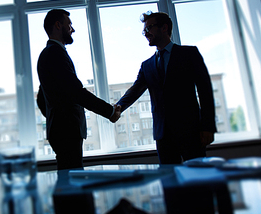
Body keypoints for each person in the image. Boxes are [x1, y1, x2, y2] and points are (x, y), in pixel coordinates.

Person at [116, 11, 216, 164]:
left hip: (191, 131)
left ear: (164, 28)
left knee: (199, 180)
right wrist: (117, 108)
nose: (145, 33)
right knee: (169, 182)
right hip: (163, 135)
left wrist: (208, 126)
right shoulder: (147, 65)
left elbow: (205, 91)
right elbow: (135, 90)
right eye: (144, 30)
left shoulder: (189, 54)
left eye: (149, 28)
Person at [37, 9, 121, 170]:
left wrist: (54, 117)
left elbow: (42, 98)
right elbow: (76, 92)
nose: (72, 29)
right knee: (73, 183)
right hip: (67, 131)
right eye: (69, 25)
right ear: (58, 25)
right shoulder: (55, 54)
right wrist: (110, 112)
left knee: (69, 178)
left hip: (60, 130)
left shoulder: (47, 54)